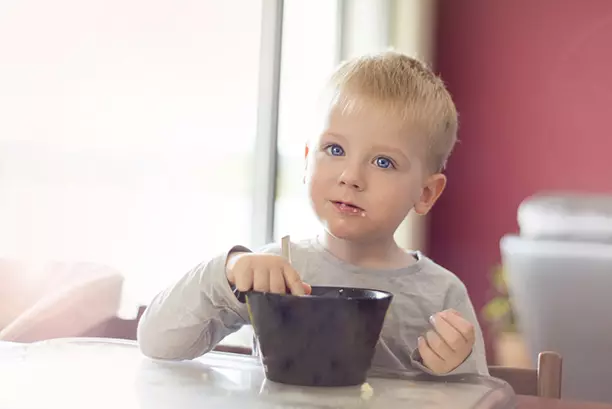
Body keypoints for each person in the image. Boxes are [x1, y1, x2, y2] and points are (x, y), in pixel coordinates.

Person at [137, 51, 488, 376]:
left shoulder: (441, 294)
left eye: (383, 162)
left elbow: (482, 397)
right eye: (334, 149)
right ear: (307, 160)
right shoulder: (275, 270)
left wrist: (454, 374)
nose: (350, 177)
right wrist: (228, 270)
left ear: (425, 193)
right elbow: (158, 342)